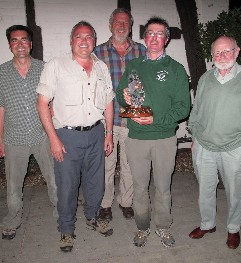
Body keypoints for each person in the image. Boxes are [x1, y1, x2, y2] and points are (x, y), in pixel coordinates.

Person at [36, 21, 115, 253]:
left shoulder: (101, 67)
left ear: (94, 40)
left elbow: (109, 101)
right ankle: (67, 229)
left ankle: (92, 217)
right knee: (68, 187)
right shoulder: (56, 65)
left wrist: (108, 133)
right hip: (67, 137)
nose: (84, 41)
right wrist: (53, 138)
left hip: (96, 134)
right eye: (79, 36)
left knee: (96, 183)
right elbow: (42, 103)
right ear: (71, 41)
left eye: (89, 37)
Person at [116, 17, 190, 248]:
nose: (155, 38)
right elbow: (120, 93)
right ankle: (142, 227)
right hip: (136, 138)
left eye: (160, 34)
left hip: (165, 139)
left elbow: (183, 108)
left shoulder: (176, 69)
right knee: (138, 187)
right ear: (145, 38)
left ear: (166, 39)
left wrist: (156, 118)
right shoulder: (134, 65)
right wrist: (124, 97)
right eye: (150, 33)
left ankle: (163, 226)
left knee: (162, 188)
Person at [187, 35, 241, 249]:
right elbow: (197, 110)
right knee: (205, 189)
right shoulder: (206, 78)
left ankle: (233, 229)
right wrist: (195, 136)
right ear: (212, 55)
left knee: (235, 191)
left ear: (237, 51)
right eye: (217, 52)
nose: (222, 56)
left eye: (227, 51)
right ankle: (207, 224)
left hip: (235, 146)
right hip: (204, 145)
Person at [0, 25, 57, 240]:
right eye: (15, 40)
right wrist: (0, 140)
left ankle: (62, 214)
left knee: (55, 179)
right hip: (14, 138)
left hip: (42, 135)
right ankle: (12, 220)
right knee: (14, 184)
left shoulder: (44, 68)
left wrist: (55, 134)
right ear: (10, 45)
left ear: (31, 43)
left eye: (24, 40)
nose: (20, 44)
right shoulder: (1, 72)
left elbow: (53, 102)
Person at [94, 8, 146, 220]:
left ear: (131, 26)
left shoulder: (142, 51)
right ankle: (105, 203)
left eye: (126, 23)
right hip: (105, 121)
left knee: (129, 165)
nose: (122, 26)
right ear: (110, 25)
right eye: (117, 22)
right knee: (105, 165)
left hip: (132, 119)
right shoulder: (97, 52)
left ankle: (126, 201)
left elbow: (149, 84)